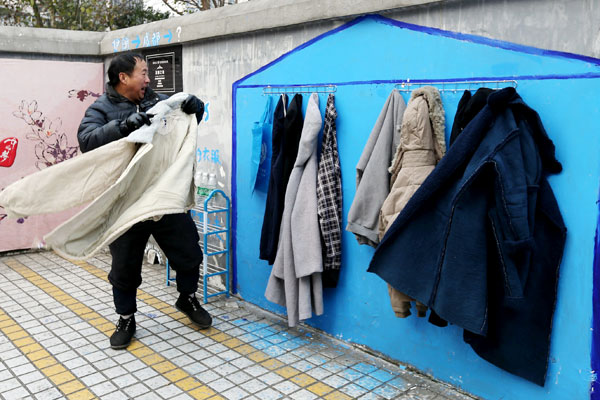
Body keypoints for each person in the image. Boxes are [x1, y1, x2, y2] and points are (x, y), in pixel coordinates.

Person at [77, 52, 211, 350]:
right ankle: (126, 318)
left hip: (163, 196)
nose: (148, 79)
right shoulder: (100, 108)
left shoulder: (157, 101)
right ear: (123, 77)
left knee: (189, 253)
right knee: (124, 268)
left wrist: (196, 109)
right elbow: (87, 141)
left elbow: (184, 123)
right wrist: (124, 126)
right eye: (143, 73)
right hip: (125, 202)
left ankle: (187, 299)